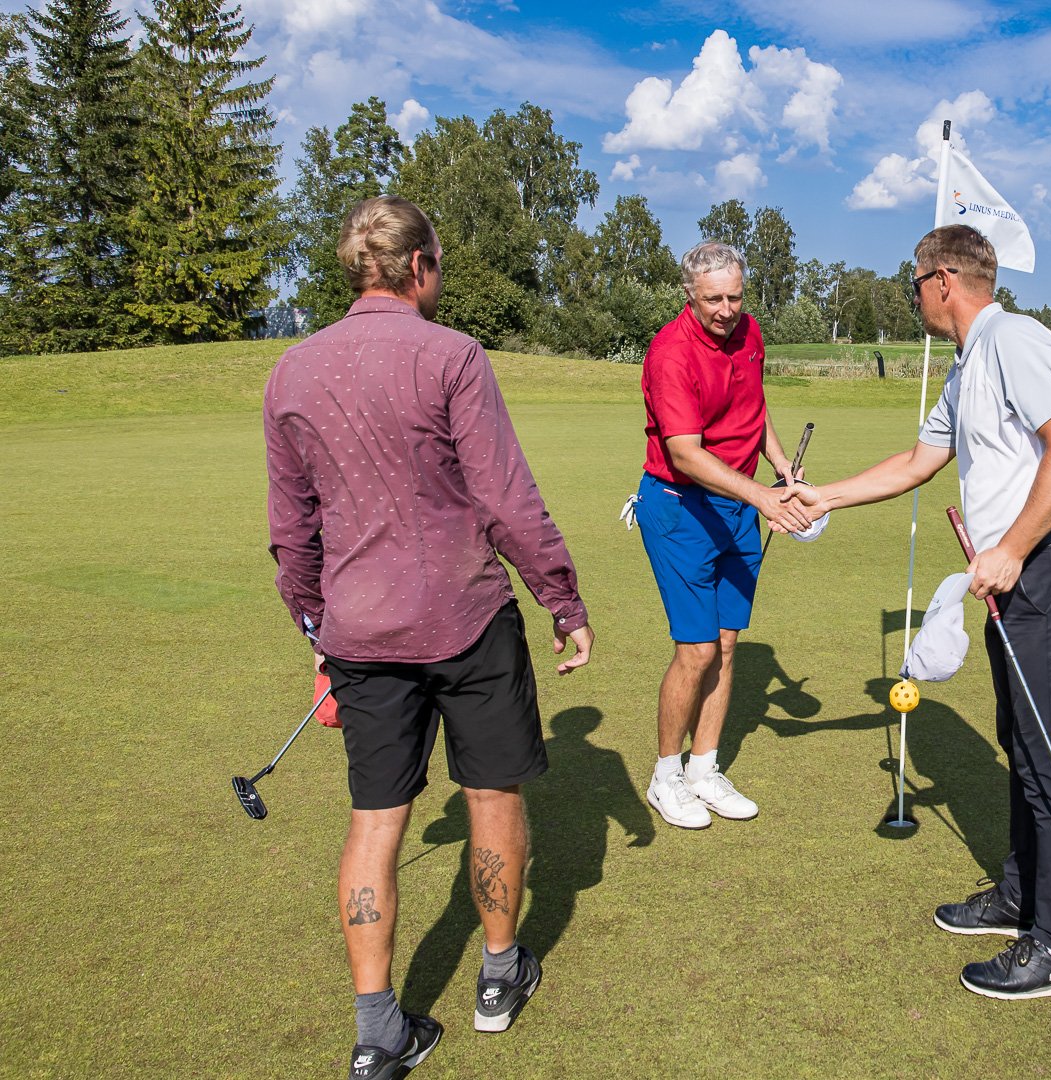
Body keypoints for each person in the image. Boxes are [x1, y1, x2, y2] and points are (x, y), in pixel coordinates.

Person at [264, 195, 594, 1078]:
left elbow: (292, 535)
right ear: (419, 269)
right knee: (492, 796)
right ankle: (496, 978)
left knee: (376, 819)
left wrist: (316, 634)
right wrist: (563, 598)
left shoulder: (292, 371)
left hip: (360, 632)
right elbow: (506, 498)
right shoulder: (452, 355)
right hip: (466, 618)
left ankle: (378, 1031)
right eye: (439, 264)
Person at [786, 224, 1051, 999]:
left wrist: (1012, 548)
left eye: (913, 284)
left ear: (943, 281)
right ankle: (1021, 896)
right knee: (1023, 749)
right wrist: (819, 495)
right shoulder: (967, 369)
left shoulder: (1016, 340)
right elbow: (916, 462)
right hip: (1013, 580)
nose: (913, 298)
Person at [632, 241, 812, 829]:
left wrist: (782, 469)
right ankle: (666, 776)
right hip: (681, 509)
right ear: (690, 294)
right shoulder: (670, 354)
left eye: (735, 296)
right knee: (698, 648)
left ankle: (704, 769)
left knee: (728, 645)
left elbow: (754, 413)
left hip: (738, 507)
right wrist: (764, 496)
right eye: (714, 298)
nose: (727, 309)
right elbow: (684, 453)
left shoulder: (750, 332)